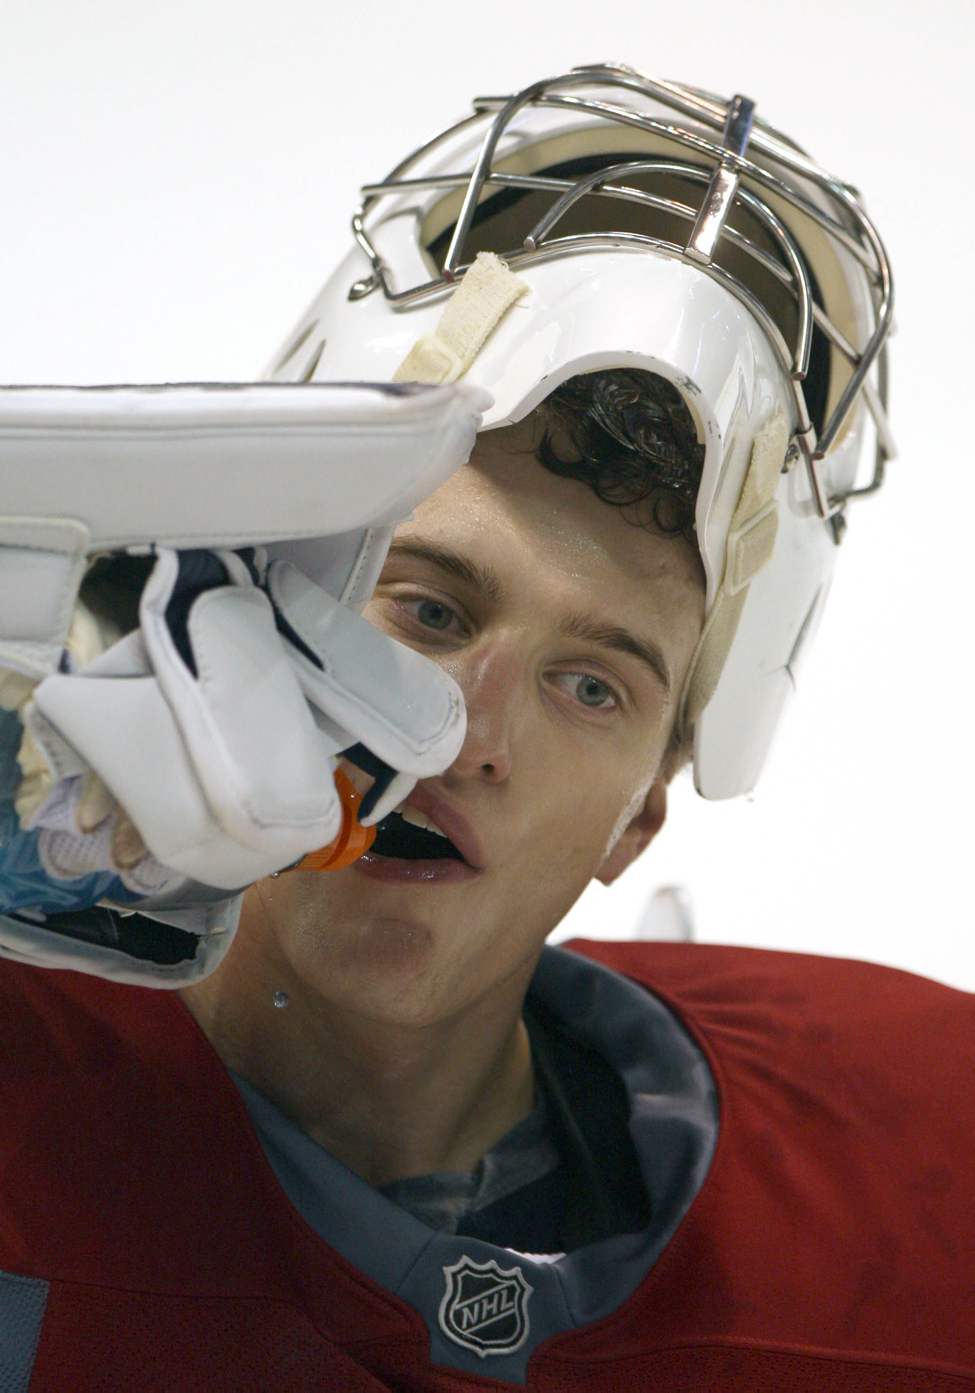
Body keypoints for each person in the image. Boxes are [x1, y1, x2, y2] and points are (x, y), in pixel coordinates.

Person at [1, 64, 972, 1391]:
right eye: (430, 608)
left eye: (595, 684)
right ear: (248, 599)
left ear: (642, 810)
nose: (464, 735)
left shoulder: (920, 1145)